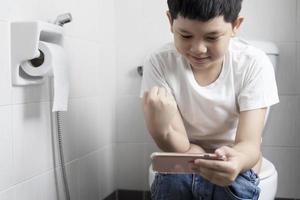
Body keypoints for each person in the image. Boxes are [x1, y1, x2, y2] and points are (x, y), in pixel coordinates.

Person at [140, 0, 279, 199]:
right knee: (173, 182)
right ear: (170, 21)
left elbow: (249, 144)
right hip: (186, 154)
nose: (198, 49)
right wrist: (159, 129)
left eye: (212, 37)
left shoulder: (253, 64)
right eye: (185, 35)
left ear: (235, 26)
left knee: (235, 186)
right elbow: (179, 146)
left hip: (237, 156)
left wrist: (238, 159)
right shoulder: (159, 63)